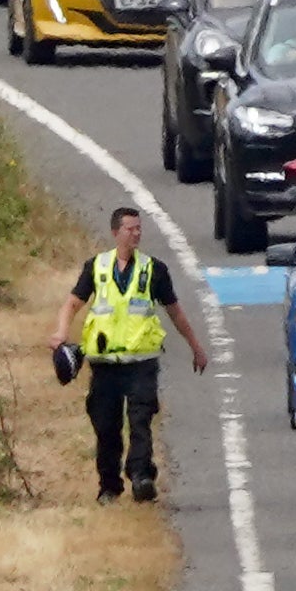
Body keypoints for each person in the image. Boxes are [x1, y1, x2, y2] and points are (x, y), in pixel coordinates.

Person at [51, 204, 208, 502]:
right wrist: (61, 333)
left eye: (139, 229)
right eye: (130, 229)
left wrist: (196, 347)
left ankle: (141, 476)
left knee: (140, 421)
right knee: (106, 427)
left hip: (141, 363)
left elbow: (175, 312)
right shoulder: (95, 268)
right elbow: (72, 304)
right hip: (105, 365)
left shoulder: (154, 270)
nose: (136, 234)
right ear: (115, 233)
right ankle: (109, 487)